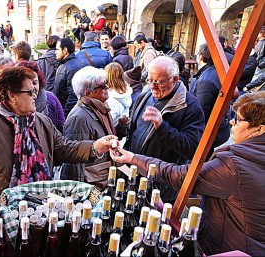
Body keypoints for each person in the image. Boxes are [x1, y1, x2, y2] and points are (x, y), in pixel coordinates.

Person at [110, 91, 265, 256]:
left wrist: (133, 158)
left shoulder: (233, 165)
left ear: (259, 129)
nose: (232, 122)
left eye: (239, 119)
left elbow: (179, 176)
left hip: (229, 247)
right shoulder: (247, 157)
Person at [0, 65, 118, 211]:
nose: (35, 95)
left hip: (41, 206)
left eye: (35, 90)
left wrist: (95, 147)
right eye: (29, 92)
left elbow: (62, 148)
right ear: (11, 96)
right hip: (1, 211)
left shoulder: (41, 121)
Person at [120, 56, 205, 203]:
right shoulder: (146, 94)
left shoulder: (190, 106)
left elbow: (192, 149)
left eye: (159, 82)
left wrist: (162, 127)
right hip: (134, 176)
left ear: (175, 79)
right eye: (150, 80)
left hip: (161, 186)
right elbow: (134, 131)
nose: (153, 86)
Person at [61, 66, 116, 189]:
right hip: (91, 185)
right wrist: (78, 191)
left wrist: (121, 127)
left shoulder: (100, 108)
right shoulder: (78, 118)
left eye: (106, 83)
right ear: (88, 92)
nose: (107, 87)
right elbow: (75, 161)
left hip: (102, 179)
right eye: (102, 86)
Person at [190, 43, 230, 159]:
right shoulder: (216, 72)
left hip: (209, 132)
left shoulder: (206, 80)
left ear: (200, 57)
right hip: (218, 128)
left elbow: (201, 112)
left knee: (201, 157)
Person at [16, 61, 65, 133]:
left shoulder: (51, 98)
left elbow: (61, 126)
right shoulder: (13, 105)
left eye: (35, 83)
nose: (32, 87)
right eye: (27, 83)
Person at [54, 37, 89, 117]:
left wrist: (65, 115)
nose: (55, 52)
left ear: (65, 50)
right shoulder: (65, 64)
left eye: (57, 49)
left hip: (68, 113)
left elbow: (73, 96)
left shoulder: (72, 67)